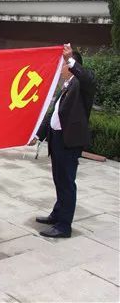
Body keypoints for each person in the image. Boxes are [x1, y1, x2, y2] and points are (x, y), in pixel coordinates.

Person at [30, 43, 96, 239]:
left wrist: (70, 59)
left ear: (71, 65)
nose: (60, 68)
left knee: (67, 182)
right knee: (59, 179)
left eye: (63, 64)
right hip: (57, 140)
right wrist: (37, 135)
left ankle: (64, 226)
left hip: (70, 141)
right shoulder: (66, 85)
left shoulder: (82, 84)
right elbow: (53, 113)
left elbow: (87, 78)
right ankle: (57, 214)